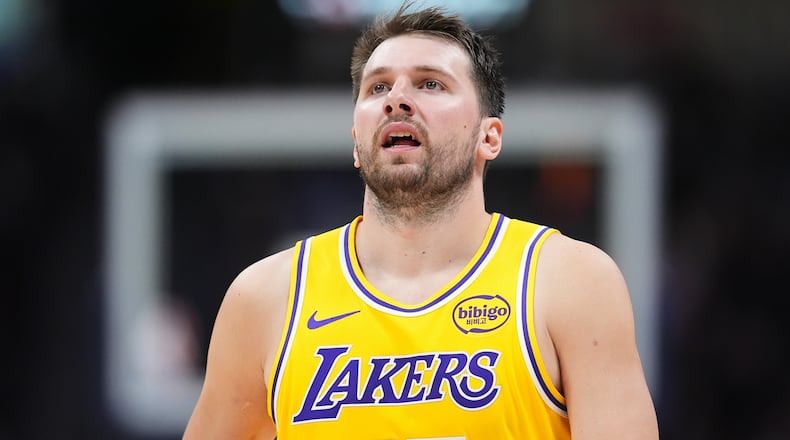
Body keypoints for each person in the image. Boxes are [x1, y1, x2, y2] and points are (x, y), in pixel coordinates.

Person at [183, 3, 659, 439]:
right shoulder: (266, 298)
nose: (397, 99)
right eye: (378, 87)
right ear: (355, 141)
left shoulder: (569, 282)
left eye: (430, 83)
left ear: (488, 136)